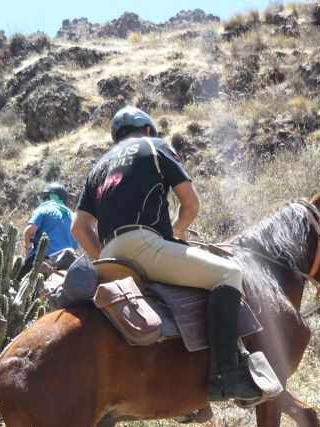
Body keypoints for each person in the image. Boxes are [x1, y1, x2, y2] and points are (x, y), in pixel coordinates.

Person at [71, 106, 261, 403]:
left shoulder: (99, 166)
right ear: (147, 129)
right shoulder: (155, 146)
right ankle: (226, 376)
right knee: (229, 274)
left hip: (110, 256)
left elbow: (79, 227)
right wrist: (178, 230)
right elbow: (191, 204)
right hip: (145, 245)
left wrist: (106, 259)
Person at [17, 183, 79, 281]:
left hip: (43, 260)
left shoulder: (44, 209)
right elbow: (76, 248)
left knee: (16, 280)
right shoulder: (74, 217)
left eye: (46, 196)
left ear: (51, 196)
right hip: (68, 265)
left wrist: (28, 248)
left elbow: (29, 232)